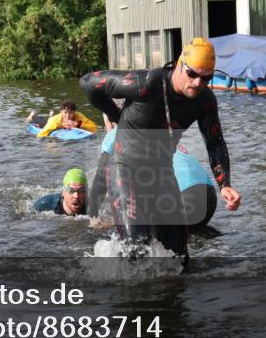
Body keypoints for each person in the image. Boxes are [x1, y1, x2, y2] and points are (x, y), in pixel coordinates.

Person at [79, 38, 241, 261]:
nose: (197, 83)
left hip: (162, 173)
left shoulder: (205, 101)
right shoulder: (146, 83)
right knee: (137, 247)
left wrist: (225, 185)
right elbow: (88, 82)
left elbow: (214, 142)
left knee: (180, 256)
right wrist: (117, 116)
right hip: (126, 169)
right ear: (179, 64)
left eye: (206, 78)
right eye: (192, 74)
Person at [89, 128, 217, 230]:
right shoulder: (155, 130)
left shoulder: (116, 133)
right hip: (209, 195)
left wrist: (93, 218)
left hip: (183, 198)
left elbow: (100, 180)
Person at [32, 101, 98, 138]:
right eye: (65, 113)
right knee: (38, 121)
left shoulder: (78, 116)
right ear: (61, 112)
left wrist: (77, 124)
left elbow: (94, 128)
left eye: (71, 113)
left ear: (75, 112)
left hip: (55, 119)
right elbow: (40, 135)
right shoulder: (55, 121)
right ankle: (32, 115)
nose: (68, 116)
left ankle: (51, 114)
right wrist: (52, 139)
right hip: (49, 123)